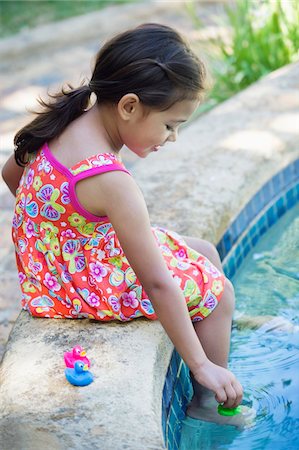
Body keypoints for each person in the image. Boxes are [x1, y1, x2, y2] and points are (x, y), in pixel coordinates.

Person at [2, 23, 253, 427]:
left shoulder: (63, 120)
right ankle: (208, 395)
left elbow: (12, 174)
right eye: (170, 125)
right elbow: (156, 284)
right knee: (219, 292)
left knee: (204, 252)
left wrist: (58, 234)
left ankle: (213, 333)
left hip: (61, 262)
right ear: (130, 106)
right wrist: (200, 363)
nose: (171, 138)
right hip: (76, 285)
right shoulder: (109, 179)